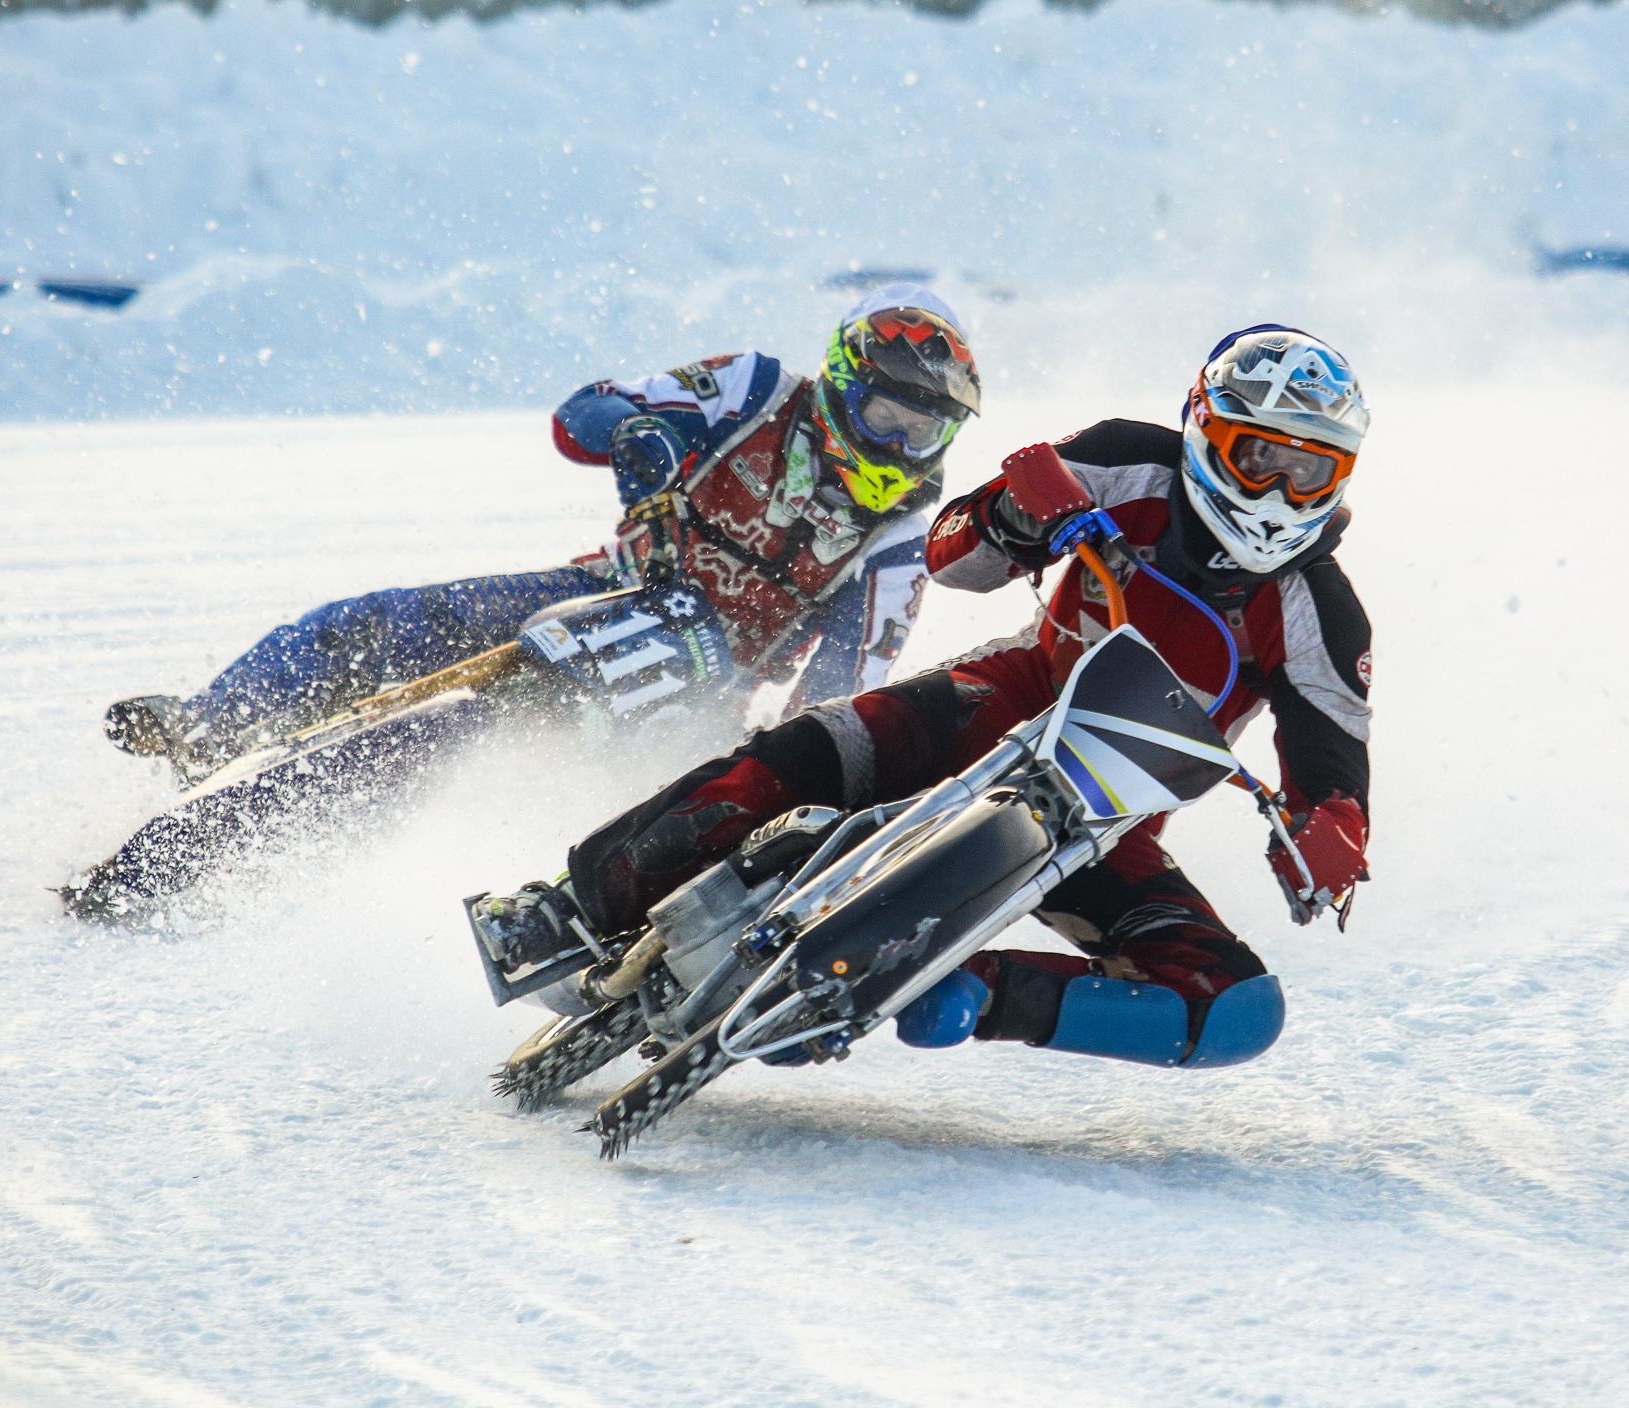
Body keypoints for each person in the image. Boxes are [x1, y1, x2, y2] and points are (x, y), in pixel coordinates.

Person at [472, 325, 1374, 1072]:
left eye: (1312, 472)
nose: (1282, 493)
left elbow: (1333, 765)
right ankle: (568, 906)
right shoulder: (1126, 461)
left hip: (1107, 820)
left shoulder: (1323, 615)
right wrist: (1012, 516)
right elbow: (954, 557)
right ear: (1208, 431)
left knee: (1235, 1010)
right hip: (1000, 701)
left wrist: (1331, 832)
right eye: (1261, 458)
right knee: (795, 758)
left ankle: (954, 982)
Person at [103, 284, 981, 783]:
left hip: (700, 690)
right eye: (889, 414)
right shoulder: (754, 387)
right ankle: (210, 725)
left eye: (927, 430)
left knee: (486, 750)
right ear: (839, 379)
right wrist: (644, 437)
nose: (904, 446)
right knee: (378, 623)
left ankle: (344, 831)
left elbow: (840, 690)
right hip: (604, 585)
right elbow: (581, 415)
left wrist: (771, 779)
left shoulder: (904, 535)